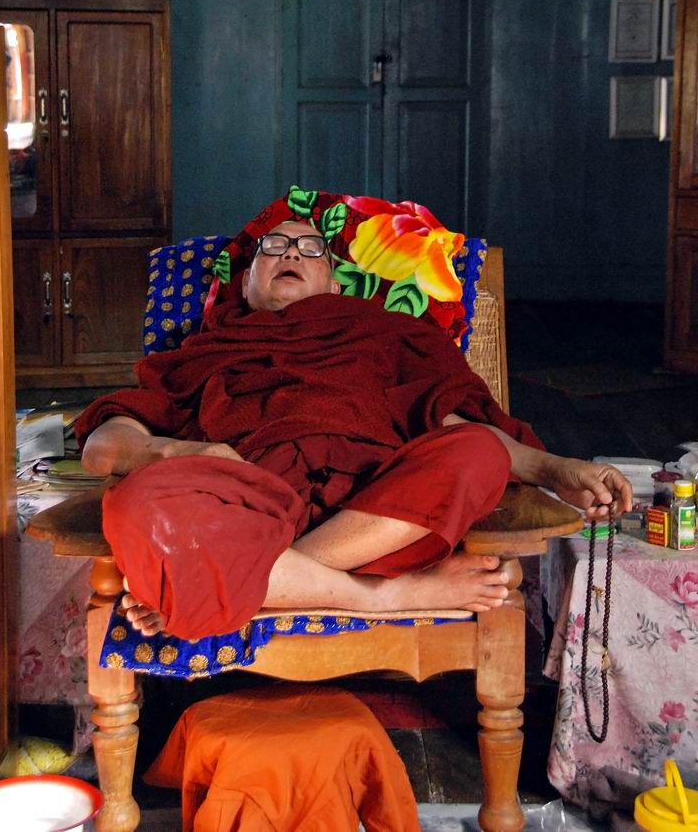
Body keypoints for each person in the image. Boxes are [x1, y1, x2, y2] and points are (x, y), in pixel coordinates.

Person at [77, 220, 632, 641]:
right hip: (248, 504)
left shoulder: (385, 333)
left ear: (335, 279)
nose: (291, 252)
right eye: (273, 248)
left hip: (374, 508)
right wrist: (189, 450)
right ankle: (384, 597)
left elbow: (456, 421)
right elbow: (103, 447)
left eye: (310, 248)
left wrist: (559, 469)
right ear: (244, 285)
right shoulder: (202, 353)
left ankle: (234, 581)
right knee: (132, 505)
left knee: (476, 451)